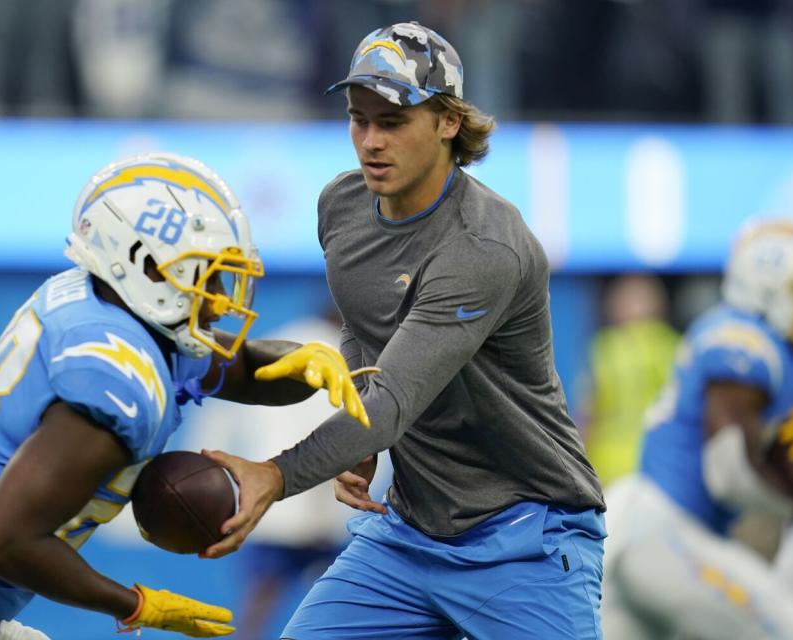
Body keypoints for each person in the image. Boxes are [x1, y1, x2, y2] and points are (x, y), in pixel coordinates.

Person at [0, 152, 371, 639]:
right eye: (204, 279)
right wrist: (134, 603)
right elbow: (2, 540)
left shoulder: (106, 304)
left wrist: (305, 363)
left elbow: (241, 367)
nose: (215, 302)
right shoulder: (115, 379)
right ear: (143, 264)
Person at [201, 22, 607, 640]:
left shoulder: (485, 247)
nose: (369, 142)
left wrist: (275, 475)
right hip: (408, 535)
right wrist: (358, 431)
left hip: (525, 536)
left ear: (448, 122)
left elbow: (390, 404)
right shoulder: (340, 207)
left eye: (391, 122)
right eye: (358, 119)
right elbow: (366, 331)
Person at [601, 218, 793, 639]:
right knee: (785, 625)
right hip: (663, 531)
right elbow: (727, 472)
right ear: (766, 286)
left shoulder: (770, 350)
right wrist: (788, 496)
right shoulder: (745, 340)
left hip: (646, 531)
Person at [183, 303, 391, 640]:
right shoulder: (344, 358)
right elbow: (347, 434)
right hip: (323, 505)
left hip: (270, 504)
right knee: (344, 607)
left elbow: (226, 420)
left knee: (259, 602)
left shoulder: (276, 342)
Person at [579, 274, 680, 486]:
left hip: (608, 465)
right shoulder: (671, 346)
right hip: (657, 465)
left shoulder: (606, 347)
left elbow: (589, 412)